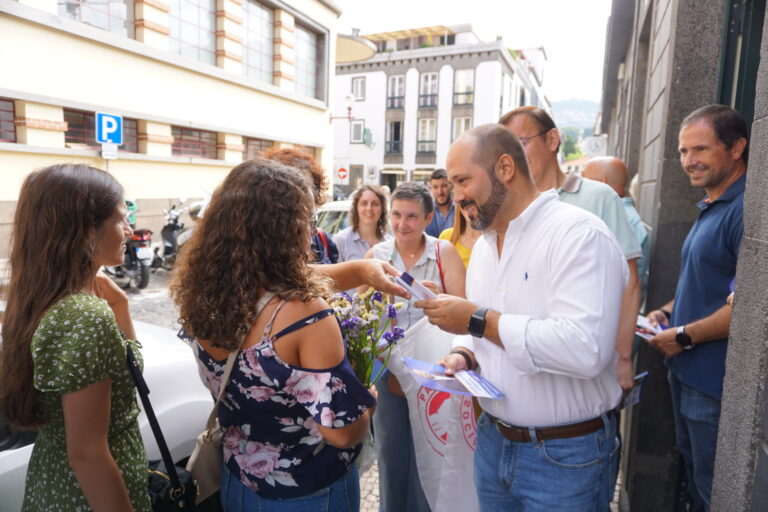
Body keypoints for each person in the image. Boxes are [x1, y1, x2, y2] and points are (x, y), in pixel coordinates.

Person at [417, 123, 627, 510]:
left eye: (463, 180)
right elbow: (479, 329)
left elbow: (585, 349)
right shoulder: (484, 246)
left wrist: (476, 320)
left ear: (505, 168)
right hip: (493, 442)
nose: (456, 196)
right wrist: (463, 352)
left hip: (565, 457)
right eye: (451, 182)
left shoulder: (578, 235)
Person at [172, 158, 377, 511]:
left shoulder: (201, 293)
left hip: (237, 482)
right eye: (308, 220)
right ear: (289, 229)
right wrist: (368, 399)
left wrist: (362, 270)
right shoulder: (305, 315)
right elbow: (341, 433)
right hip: (310, 491)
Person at [0, 164, 150, 510]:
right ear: (85, 233)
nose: (129, 229)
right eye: (119, 219)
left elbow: (120, 364)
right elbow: (88, 455)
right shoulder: (85, 315)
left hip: (55, 483)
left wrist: (121, 306)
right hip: (89, 498)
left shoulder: (42, 296)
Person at [645, 105, 747, 511]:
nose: (689, 161)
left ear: (737, 147)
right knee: (693, 478)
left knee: (711, 491)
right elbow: (706, 281)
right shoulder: (712, 202)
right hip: (686, 372)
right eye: (683, 151)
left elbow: (750, 306)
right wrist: (668, 312)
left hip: (711, 382)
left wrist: (685, 337)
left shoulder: (746, 211)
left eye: (700, 149)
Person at [499, 107, 642, 393]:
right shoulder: (510, 207)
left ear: (552, 140)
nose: (513, 158)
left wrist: (623, 358)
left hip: (588, 372)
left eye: (521, 143)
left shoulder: (599, 196)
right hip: (529, 369)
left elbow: (630, 283)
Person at [362, 181, 465, 512]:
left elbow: (464, 311)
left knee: (432, 450)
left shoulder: (442, 252)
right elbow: (360, 313)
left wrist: (438, 298)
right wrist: (379, 294)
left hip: (432, 369)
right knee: (391, 454)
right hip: (387, 368)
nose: (402, 224)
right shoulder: (376, 256)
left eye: (411, 216)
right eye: (395, 215)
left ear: (428, 217)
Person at [583, 156, 650, 302]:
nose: (579, 186)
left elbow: (628, 281)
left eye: (583, 180)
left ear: (601, 184)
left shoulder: (622, 218)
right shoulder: (622, 214)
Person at [261, 146, 339, 264]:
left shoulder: (319, 238)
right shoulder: (259, 240)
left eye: (309, 188)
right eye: (294, 187)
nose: (304, 194)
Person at [333, 184, 392, 262]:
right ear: (356, 208)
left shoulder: (389, 243)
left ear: (382, 209)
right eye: (364, 203)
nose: (369, 208)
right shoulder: (341, 240)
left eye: (375, 204)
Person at [425, 169, 455, 237]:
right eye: (435, 187)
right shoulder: (425, 212)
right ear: (431, 189)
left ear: (451, 186)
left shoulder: (460, 211)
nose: (440, 192)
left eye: (444, 186)